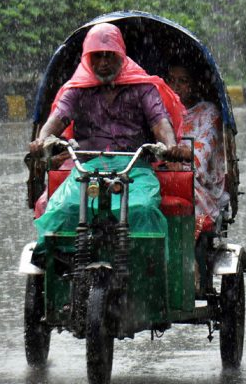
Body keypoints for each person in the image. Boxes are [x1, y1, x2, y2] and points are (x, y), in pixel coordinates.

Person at [29, 23, 188, 248]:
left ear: (121, 56)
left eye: (109, 55)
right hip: (87, 171)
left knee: (142, 209)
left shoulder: (143, 88)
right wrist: (42, 140)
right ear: (88, 58)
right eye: (97, 56)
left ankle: (148, 264)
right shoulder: (77, 90)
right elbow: (55, 120)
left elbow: (160, 123)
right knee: (62, 210)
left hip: (135, 170)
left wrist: (170, 145)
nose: (103, 62)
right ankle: (58, 263)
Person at [166, 62, 229, 237]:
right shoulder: (159, 111)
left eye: (183, 81)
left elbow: (202, 155)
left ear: (194, 85)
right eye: (171, 80)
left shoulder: (208, 113)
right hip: (165, 175)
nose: (175, 86)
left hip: (199, 183)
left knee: (182, 186)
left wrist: (179, 155)